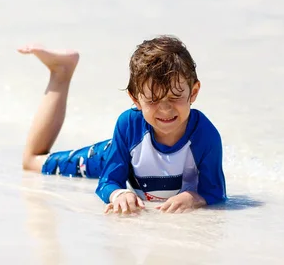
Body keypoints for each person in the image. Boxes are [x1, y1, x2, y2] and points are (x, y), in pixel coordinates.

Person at [19, 35, 226, 214]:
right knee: (32, 162)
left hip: (135, 156)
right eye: (153, 100)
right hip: (114, 154)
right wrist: (119, 193)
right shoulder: (128, 125)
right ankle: (61, 71)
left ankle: (62, 70)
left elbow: (215, 191)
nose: (165, 109)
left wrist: (193, 198)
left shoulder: (205, 136)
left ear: (194, 92)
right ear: (135, 99)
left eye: (175, 97)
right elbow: (108, 182)